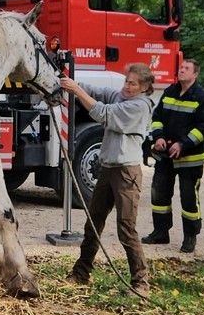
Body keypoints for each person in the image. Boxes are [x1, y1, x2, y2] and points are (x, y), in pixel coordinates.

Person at [61, 63, 156, 297]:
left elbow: (103, 113)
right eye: (126, 81)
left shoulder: (139, 106)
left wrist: (76, 91)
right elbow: (99, 92)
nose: (127, 86)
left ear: (143, 87)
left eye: (132, 83)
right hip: (107, 169)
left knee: (126, 228)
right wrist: (70, 82)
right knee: (93, 223)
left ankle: (141, 283)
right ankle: (81, 273)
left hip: (126, 173)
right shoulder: (122, 97)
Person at [142, 58, 204, 253]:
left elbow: (203, 127)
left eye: (186, 68)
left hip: (190, 159)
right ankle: (160, 232)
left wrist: (183, 144)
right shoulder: (170, 92)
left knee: (189, 198)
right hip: (165, 156)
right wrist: (158, 137)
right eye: (181, 67)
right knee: (159, 195)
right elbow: (157, 118)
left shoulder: (202, 97)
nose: (181, 70)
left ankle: (190, 237)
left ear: (195, 74)